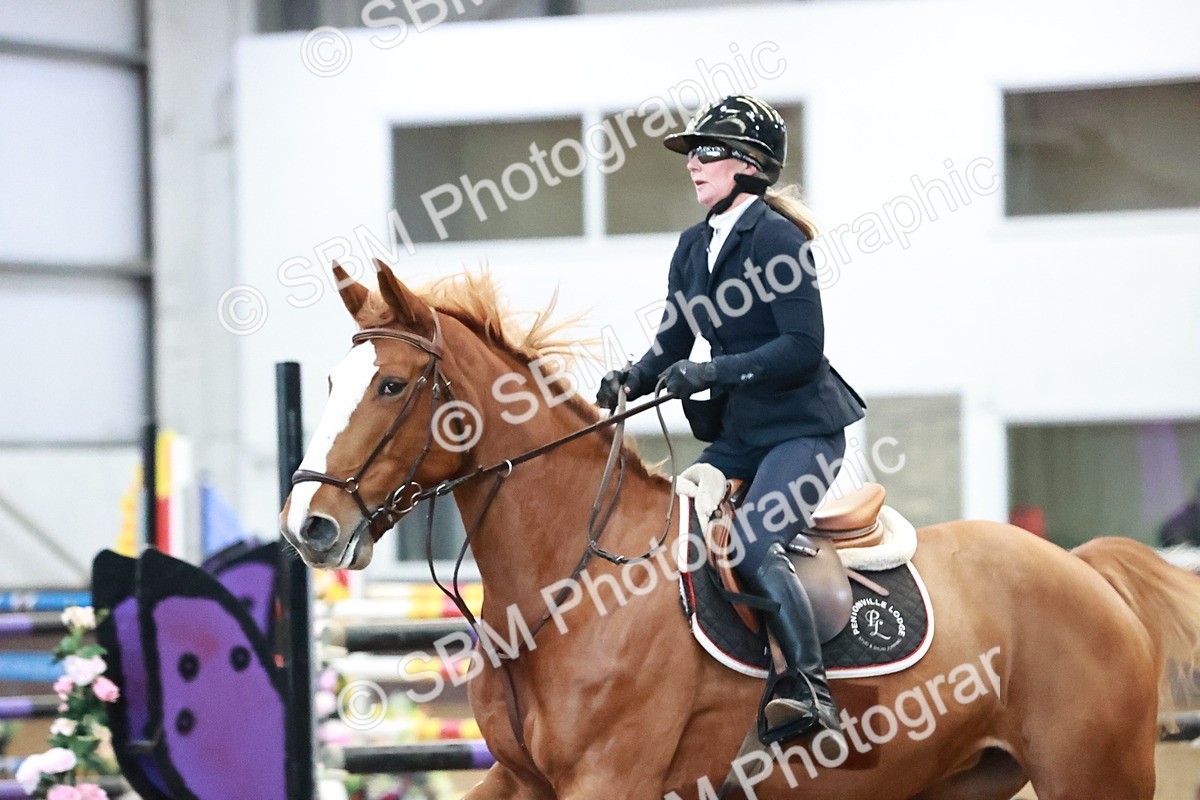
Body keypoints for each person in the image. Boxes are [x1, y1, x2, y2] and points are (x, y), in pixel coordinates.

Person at [596, 95, 866, 743]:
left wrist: (713, 371)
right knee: (673, 532)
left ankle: (808, 687)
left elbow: (803, 348)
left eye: (707, 152)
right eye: (691, 154)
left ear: (748, 164)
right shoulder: (693, 246)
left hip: (802, 430)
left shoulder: (777, 238)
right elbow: (671, 345)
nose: (693, 163)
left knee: (750, 543)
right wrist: (630, 379)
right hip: (740, 435)